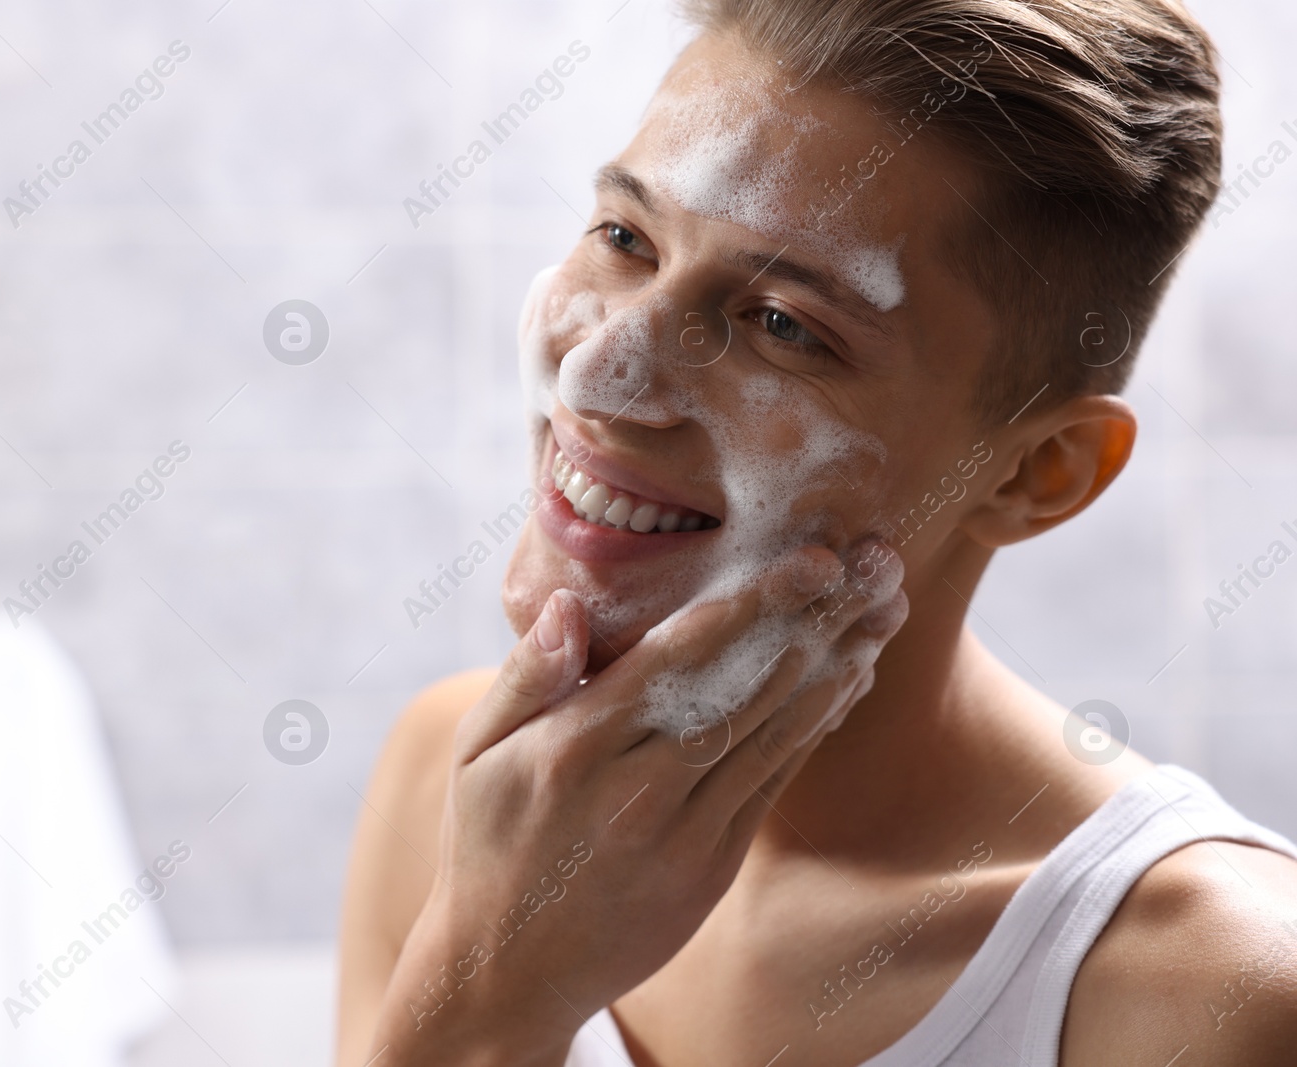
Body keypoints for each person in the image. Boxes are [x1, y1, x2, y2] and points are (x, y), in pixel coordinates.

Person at [337, 1, 1297, 1064]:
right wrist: (483, 985)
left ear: (1037, 472)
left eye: (784, 324)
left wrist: (487, 1004)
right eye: (624, 237)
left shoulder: (1208, 986)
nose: (596, 374)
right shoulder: (462, 784)